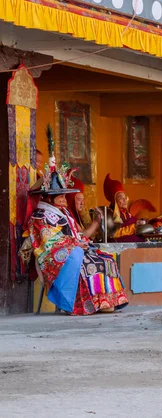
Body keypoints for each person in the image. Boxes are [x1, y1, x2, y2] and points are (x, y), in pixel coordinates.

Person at [25, 135, 128, 315]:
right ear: (48, 197)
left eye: (65, 195)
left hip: (76, 249)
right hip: (59, 257)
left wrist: (93, 226)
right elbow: (49, 243)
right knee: (88, 263)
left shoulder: (64, 212)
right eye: (61, 196)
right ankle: (83, 304)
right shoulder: (40, 216)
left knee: (106, 259)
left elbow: (79, 235)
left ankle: (104, 301)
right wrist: (75, 245)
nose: (65, 199)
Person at [103, 174, 149, 242]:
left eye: (125, 197)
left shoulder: (126, 213)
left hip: (128, 238)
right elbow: (114, 233)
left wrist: (141, 222)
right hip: (116, 242)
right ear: (115, 201)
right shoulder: (110, 214)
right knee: (135, 239)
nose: (125, 200)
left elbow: (133, 221)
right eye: (121, 198)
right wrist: (135, 226)